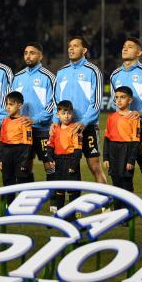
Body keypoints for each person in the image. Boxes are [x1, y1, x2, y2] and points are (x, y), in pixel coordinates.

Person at [109, 37, 142, 209]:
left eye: (130, 47)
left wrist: (141, 113)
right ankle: (124, 209)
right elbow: (116, 103)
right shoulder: (115, 75)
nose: (125, 49)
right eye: (124, 46)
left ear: (139, 52)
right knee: (122, 173)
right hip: (122, 132)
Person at [52, 36, 106, 185]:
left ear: (84, 50)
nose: (71, 48)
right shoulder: (61, 72)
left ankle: (105, 206)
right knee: (71, 169)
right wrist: (55, 121)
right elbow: (56, 100)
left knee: (95, 167)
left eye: (75, 46)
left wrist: (83, 122)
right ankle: (75, 206)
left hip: (86, 128)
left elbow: (96, 102)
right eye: (70, 46)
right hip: (65, 129)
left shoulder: (93, 71)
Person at [10, 42, 56, 209]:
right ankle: (28, 202)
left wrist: (36, 119)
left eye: (32, 53)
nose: (28, 56)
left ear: (40, 56)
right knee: (25, 166)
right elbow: (11, 102)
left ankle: (54, 203)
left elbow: (53, 103)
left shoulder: (48, 77)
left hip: (43, 130)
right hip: (23, 131)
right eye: (26, 53)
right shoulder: (17, 77)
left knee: (50, 165)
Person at [103, 86, 140, 210]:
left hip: (127, 150)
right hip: (113, 151)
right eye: (117, 97)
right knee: (116, 182)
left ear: (130, 100)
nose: (119, 100)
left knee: (126, 182)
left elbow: (136, 142)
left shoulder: (134, 118)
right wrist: (106, 157)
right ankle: (118, 212)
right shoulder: (111, 117)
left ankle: (128, 212)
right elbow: (107, 139)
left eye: (122, 97)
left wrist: (131, 160)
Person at [45, 100, 83, 210]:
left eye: (69, 113)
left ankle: (74, 212)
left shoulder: (75, 129)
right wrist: (50, 158)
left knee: (73, 189)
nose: (66, 116)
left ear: (72, 114)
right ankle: (60, 211)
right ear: (58, 115)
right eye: (63, 113)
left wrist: (73, 165)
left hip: (71, 160)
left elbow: (78, 149)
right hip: (58, 161)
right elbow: (50, 145)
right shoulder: (55, 129)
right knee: (59, 189)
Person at [0, 91, 33, 205]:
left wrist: (24, 162)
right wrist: (0, 159)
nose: (8, 107)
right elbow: (2, 142)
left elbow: (28, 144)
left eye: (11, 104)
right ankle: (10, 204)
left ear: (20, 106)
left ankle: (25, 205)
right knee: (7, 179)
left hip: (20, 153)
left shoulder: (24, 122)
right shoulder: (4, 121)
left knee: (22, 179)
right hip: (7, 154)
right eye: (7, 104)